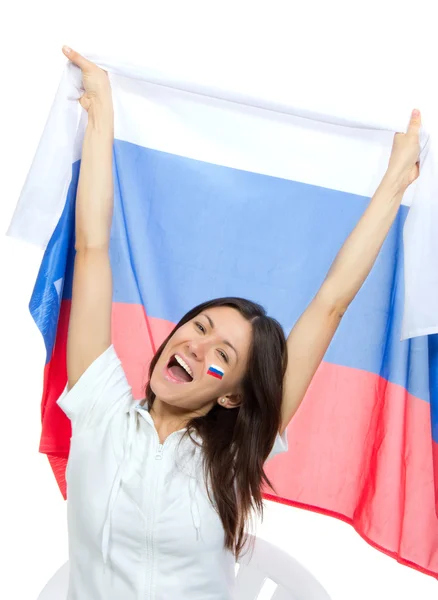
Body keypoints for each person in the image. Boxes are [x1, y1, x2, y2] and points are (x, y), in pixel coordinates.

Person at [58, 45, 421, 600]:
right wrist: (102, 112)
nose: (199, 347)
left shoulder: (230, 461)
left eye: (223, 356)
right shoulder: (99, 406)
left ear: (230, 396)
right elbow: (91, 247)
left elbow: (329, 305)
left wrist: (395, 182)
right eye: (200, 328)